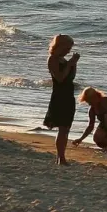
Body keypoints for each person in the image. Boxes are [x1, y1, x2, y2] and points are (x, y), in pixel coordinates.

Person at [42, 34, 79, 165]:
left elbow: (70, 77)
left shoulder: (64, 60)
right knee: (62, 128)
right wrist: (70, 64)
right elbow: (60, 78)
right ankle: (61, 157)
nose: (68, 50)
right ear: (60, 46)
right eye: (67, 47)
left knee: (66, 128)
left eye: (70, 48)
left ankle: (61, 157)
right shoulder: (52, 59)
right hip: (59, 96)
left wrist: (73, 64)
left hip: (69, 95)